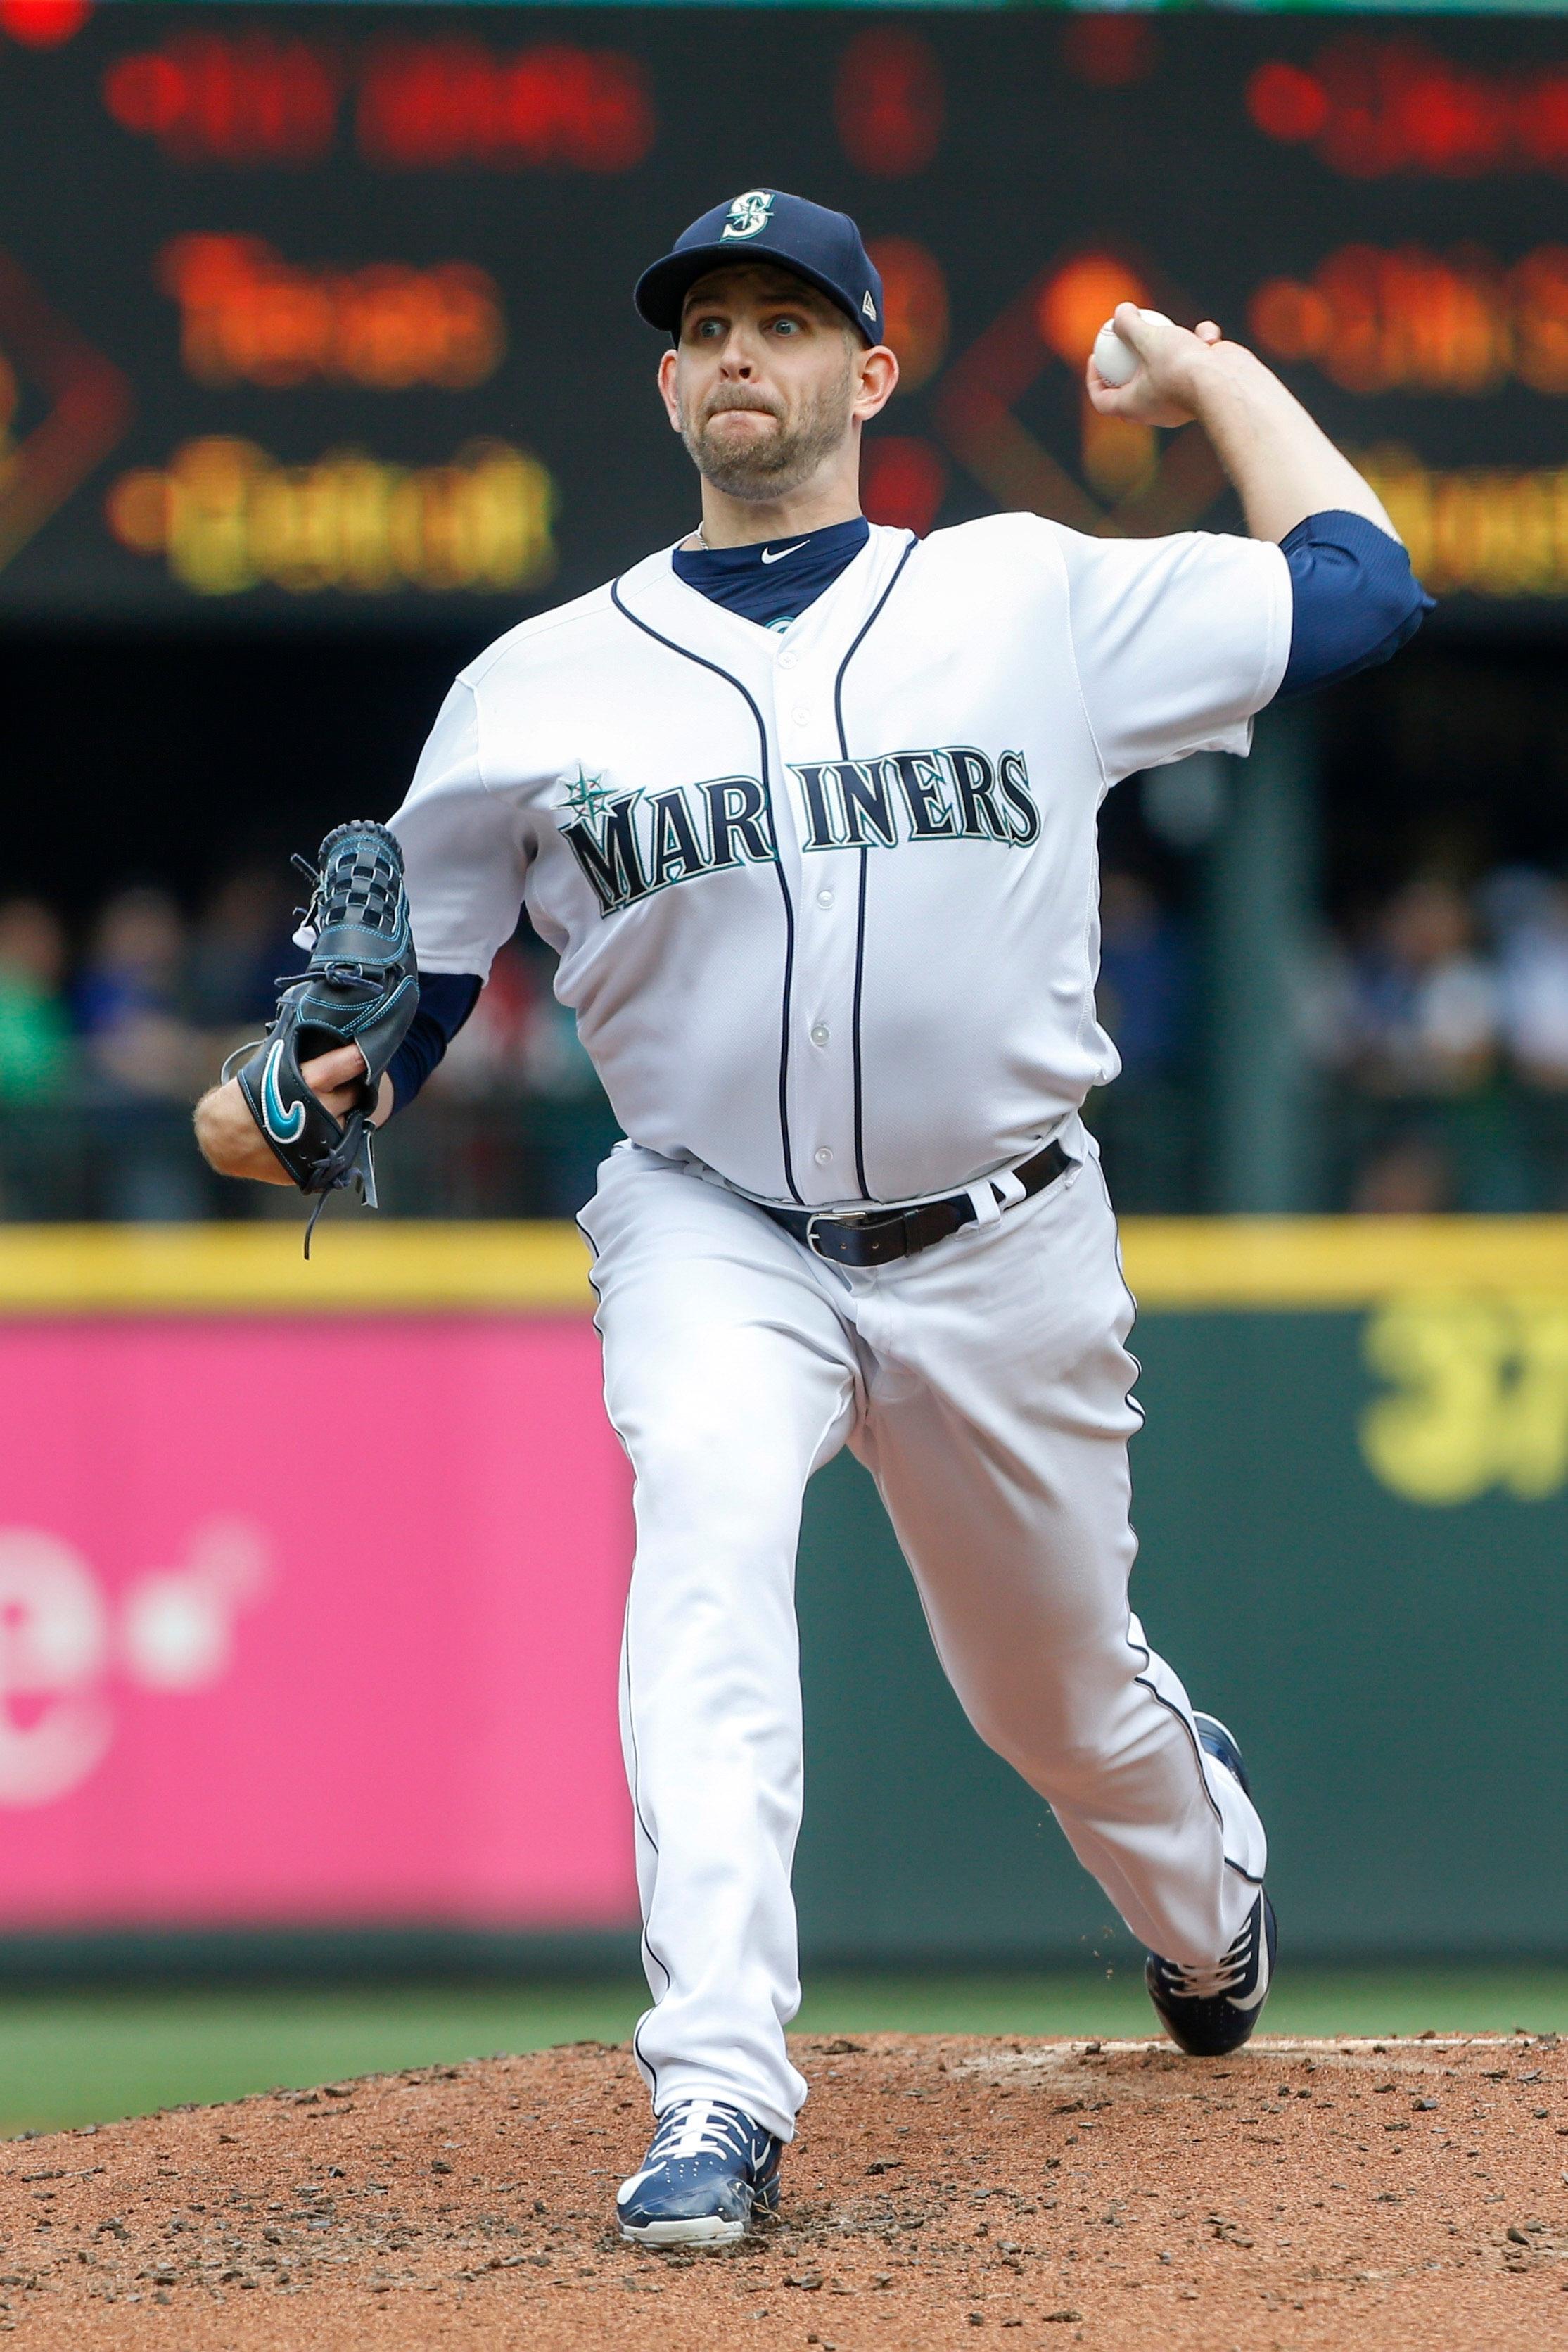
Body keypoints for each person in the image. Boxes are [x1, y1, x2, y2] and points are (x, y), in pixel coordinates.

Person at [195, 190, 1429, 2249]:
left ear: (870, 370)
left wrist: (1214, 379)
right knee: (704, 1555)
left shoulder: (1025, 596)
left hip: (1006, 1235)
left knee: (1052, 1695)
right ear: (674, 382)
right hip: (713, 1226)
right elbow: (371, 1035)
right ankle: (716, 2097)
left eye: (789, 319)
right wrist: (283, 1108)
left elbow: (1364, 593)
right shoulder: (535, 684)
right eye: (707, 327)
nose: (741, 352)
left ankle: (1203, 1892)